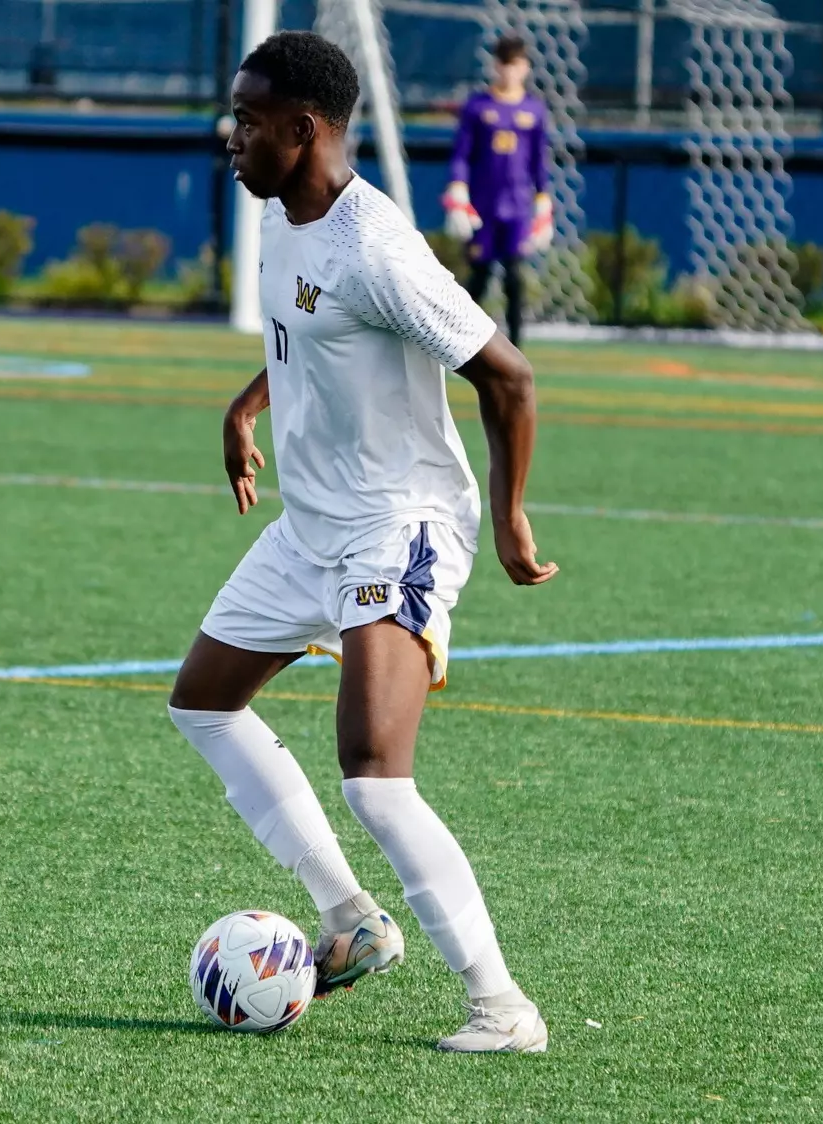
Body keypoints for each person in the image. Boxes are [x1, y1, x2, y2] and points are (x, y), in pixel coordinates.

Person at [169, 30, 558, 1054]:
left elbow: (508, 377)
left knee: (374, 775)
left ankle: (503, 1006)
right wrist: (247, 404)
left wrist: (509, 516)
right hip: (313, 523)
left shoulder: (375, 248)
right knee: (203, 701)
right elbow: (303, 331)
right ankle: (350, 918)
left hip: (399, 525)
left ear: (304, 130)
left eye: (248, 121)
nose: (231, 137)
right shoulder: (277, 210)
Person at [442, 34, 552, 348]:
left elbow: (539, 160)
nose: (509, 71)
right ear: (495, 66)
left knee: (514, 277)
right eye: (504, 64)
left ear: (525, 67)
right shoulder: (478, 107)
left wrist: (543, 202)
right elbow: (462, 154)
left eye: (515, 64)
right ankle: (458, 344)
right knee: (479, 275)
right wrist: (458, 189)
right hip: (483, 206)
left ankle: (516, 349)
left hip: (517, 207)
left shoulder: (534, 110)